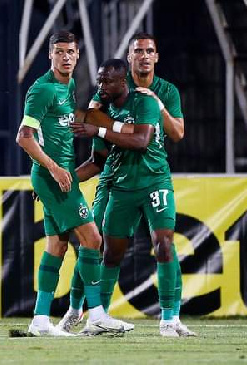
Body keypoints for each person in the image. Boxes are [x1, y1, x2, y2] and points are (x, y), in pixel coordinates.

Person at [59, 33, 195, 337]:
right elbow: (97, 155)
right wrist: (62, 179)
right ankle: (80, 311)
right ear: (129, 58)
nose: (144, 56)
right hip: (114, 179)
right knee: (95, 246)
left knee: (164, 244)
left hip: (152, 178)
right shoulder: (107, 95)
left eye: (150, 51)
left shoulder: (160, 94)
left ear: (156, 56)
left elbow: (170, 134)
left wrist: (157, 108)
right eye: (138, 51)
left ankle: (170, 319)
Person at [16, 30, 125, 337]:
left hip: (58, 177)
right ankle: (97, 315)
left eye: (71, 52)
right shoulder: (42, 90)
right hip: (55, 177)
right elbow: (23, 137)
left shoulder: (70, 86)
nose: (65, 57)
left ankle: (39, 319)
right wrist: (52, 170)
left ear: (78, 56)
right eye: (60, 52)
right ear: (50, 54)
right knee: (92, 239)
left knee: (57, 245)